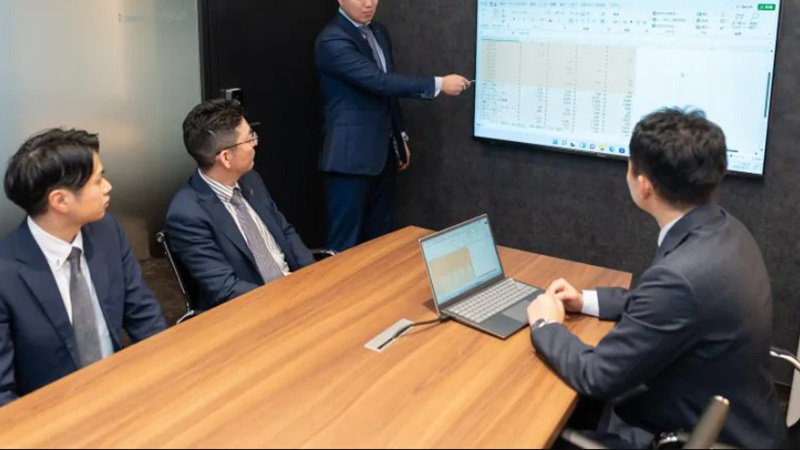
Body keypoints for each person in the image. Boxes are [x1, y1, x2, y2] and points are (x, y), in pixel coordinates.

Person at [526, 108, 787, 448]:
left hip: (698, 434)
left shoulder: (681, 278)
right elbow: (667, 306)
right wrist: (585, 300)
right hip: (743, 416)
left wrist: (546, 326)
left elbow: (597, 376)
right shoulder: (725, 229)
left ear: (644, 185)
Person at [0, 128, 167, 407]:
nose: (108, 187)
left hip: (124, 391)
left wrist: (168, 374)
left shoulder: (107, 231)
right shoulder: (6, 275)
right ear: (60, 201)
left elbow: (144, 316)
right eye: (98, 180)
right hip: (54, 414)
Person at [316, 0, 471, 252]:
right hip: (349, 159)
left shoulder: (379, 32)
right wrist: (439, 84)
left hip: (382, 152)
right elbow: (380, 82)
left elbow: (389, 94)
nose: (369, 3)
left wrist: (400, 137)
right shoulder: (332, 39)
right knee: (344, 243)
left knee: (381, 239)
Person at [166, 99, 315, 311]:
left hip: (297, 293)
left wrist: (315, 278)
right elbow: (226, 288)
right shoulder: (187, 215)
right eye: (249, 138)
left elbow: (285, 233)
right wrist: (284, 300)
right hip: (253, 309)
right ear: (226, 158)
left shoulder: (251, 180)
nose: (255, 143)